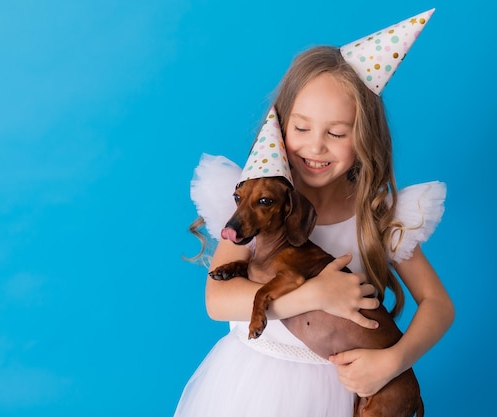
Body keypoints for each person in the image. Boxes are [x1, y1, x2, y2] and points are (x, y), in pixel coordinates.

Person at [174, 8, 454, 417]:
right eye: (301, 128)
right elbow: (217, 301)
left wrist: (393, 361)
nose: (315, 146)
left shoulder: (376, 216)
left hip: (338, 390)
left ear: (363, 140)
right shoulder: (256, 203)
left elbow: (438, 304)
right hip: (252, 384)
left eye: (337, 133)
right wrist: (312, 295)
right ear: (282, 126)